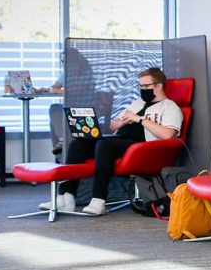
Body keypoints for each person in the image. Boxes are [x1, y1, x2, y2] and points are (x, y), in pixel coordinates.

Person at [40, 67, 183, 216]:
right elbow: (112, 126)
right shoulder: (137, 103)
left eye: (145, 86)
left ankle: (98, 200)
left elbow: (168, 135)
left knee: (106, 145)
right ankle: (66, 197)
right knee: (79, 144)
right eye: (140, 86)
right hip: (120, 141)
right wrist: (122, 122)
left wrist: (140, 119)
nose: (142, 89)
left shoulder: (170, 107)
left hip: (143, 147)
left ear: (158, 86)